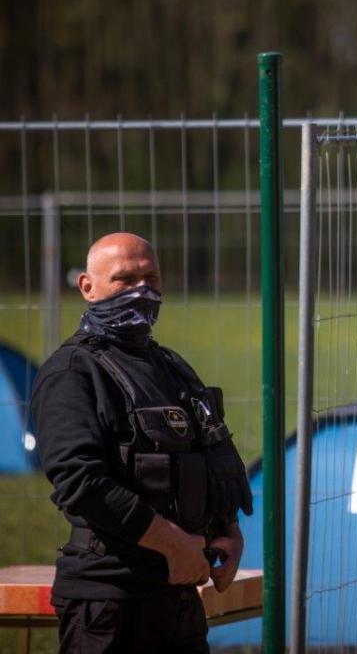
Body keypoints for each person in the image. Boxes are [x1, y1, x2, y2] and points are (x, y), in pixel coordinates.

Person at [30, 232, 253, 653]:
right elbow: (80, 484)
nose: (141, 290)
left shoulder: (172, 367)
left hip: (180, 599)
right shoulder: (73, 373)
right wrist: (174, 545)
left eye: (150, 277)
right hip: (109, 604)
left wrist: (229, 531)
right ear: (87, 287)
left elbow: (208, 456)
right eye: (124, 279)